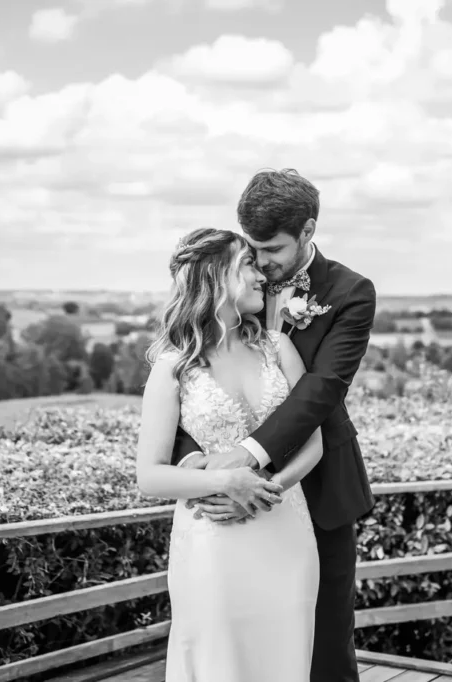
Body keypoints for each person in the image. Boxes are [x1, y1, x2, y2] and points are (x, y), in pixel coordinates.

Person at [171, 169, 377, 682]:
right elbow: (189, 384)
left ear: (308, 231)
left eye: (273, 249)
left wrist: (250, 455)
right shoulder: (228, 278)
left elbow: (322, 389)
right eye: (253, 248)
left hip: (319, 485)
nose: (261, 263)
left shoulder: (350, 292)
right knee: (235, 644)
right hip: (219, 494)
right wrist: (200, 467)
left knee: (325, 644)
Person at [137, 227, 323, 682]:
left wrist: (267, 490)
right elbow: (150, 476)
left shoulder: (278, 348)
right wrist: (227, 483)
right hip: (213, 542)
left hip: (286, 529)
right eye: (248, 265)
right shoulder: (174, 367)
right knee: (220, 663)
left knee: (284, 659)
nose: (261, 276)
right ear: (216, 276)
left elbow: (314, 442)